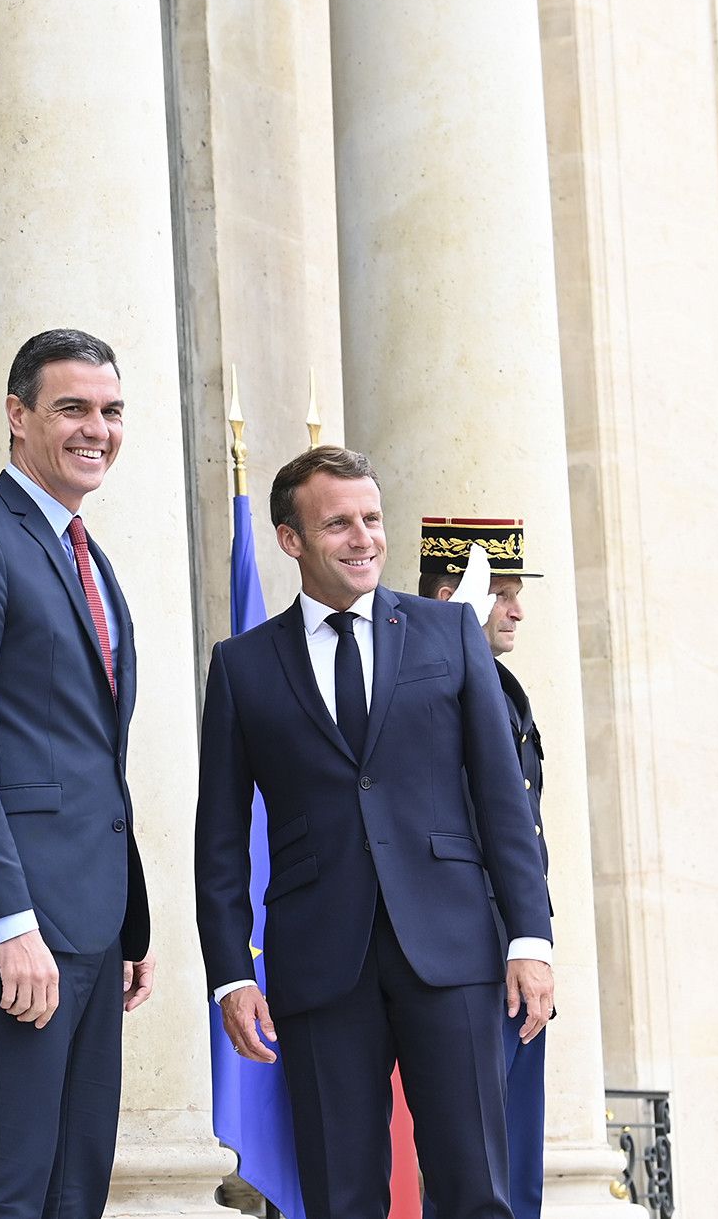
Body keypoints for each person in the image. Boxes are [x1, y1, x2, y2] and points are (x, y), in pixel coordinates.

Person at [196, 446, 553, 1219]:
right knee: (340, 1196)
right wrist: (230, 975)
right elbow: (220, 840)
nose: (363, 539)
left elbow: (500, 798)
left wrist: (530, 936)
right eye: (338, 524)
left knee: (475, 1189)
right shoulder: (242, 666)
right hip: (319, 962)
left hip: (454, 949)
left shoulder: (449, 632)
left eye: (372, 519)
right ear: (291, 540)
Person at [0, 328, 154, 1219]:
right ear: (17, 416)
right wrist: (9, 923)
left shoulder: (90, 555)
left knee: (74, 1187)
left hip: (89, 918)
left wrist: (127, 916)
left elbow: (89, 756)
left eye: (112, 411)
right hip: (20, 924)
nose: (98, 429)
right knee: (10, 1187)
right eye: (72, 408)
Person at [422, 517, 549, 1219]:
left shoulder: (504, 690)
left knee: (517, 1166)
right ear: (455, 600)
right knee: (474, 1171)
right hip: (470, 953)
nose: (518, 609)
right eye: (501, 593)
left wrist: (532, 940)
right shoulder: (437, 690)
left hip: (514, 949)